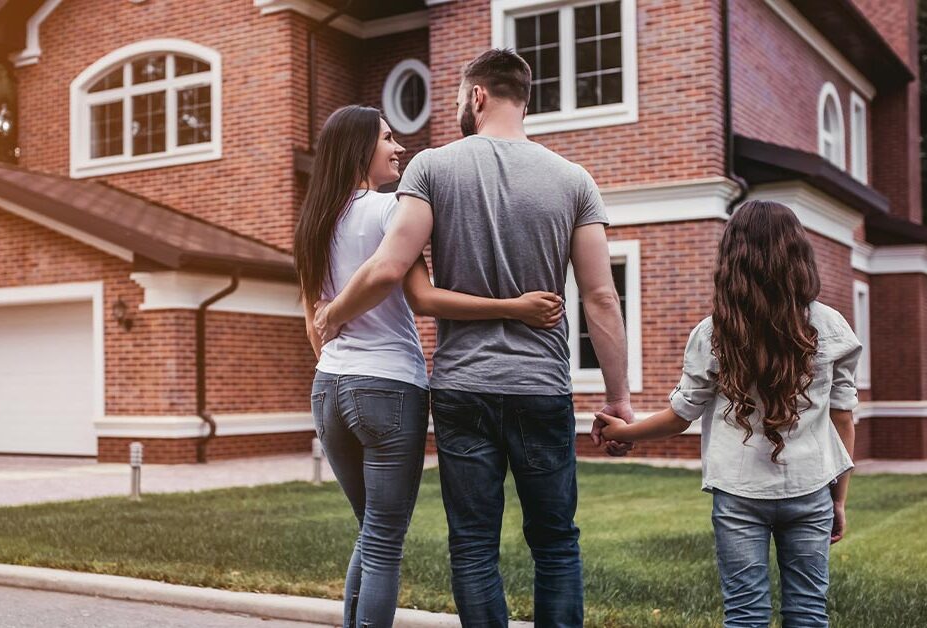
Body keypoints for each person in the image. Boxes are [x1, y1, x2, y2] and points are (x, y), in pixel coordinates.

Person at [313, 50, 634, 627]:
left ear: (477, 96)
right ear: (524, 97)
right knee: (556, 544)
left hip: (463, 388)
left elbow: (392, 263)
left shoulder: (431, 169)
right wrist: (618, 399)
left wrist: (332, 315)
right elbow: (602, 297)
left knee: (474, 546)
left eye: (461, 98)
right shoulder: (574, 180)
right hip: (541, 387)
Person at [294, 104, 564, 628]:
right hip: (390, 387)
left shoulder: (312, 222)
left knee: (369, 531)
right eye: (388, 138)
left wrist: (340, 360)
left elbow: (315, 325)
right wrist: (514, 308)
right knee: (383, 540)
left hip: (328, 388)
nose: (398, 148)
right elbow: (424, 298)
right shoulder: (392, 208)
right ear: (359, 149)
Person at [597, 200, 859, 627]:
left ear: (732, 258)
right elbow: (843, 418)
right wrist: (840, 499)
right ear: (799, 256)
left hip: (738, 493)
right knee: (809, 611)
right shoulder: (832, 327)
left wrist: (627, 430)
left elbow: (682, 414)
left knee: (744, 613)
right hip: (812, 490)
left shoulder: (715, 330)